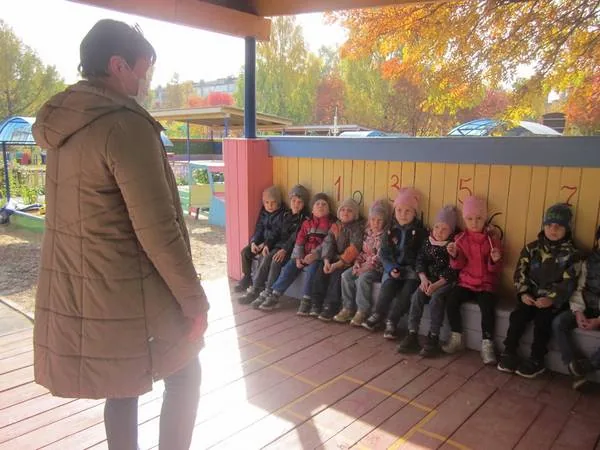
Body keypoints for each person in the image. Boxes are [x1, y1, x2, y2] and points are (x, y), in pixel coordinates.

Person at [31, 19, 208, 450]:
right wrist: (194, 300)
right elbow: (158, 230)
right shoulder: (124, 125)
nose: (147, 80)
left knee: (121, 385)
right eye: (144, 69)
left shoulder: (68, 124)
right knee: (186, 373)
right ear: (117, 65)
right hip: (134, 289)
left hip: (92, 291)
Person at [498, 203, 581, 378]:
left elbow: (569, 282)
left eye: (558, 226)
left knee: (543, 321)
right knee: (518, 316)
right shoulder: (532, 248)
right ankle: (509, 351)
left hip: (553, 302)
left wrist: (552, 299)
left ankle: (537, 359)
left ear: (567, 228)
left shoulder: (572, 254)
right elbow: (520, 272)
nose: (553, 230)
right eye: (549, 225)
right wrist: (523, 293)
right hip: (531, 296)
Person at [443, 196, 503, 365]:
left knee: (487, 307)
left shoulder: (492, 240)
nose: (474, 223)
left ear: (485, 218)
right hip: (467, 282)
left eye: (478, 218)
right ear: (464, 219)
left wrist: (495, 260)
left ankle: (487, 343)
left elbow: (495, 269)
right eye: (469, 219)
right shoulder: (461, 239)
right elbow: (458, 265)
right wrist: (454, 254)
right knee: (452, 299)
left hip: (486, 284)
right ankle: (456, 336)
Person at [362, 188, 427, 339]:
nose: (403, 214)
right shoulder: (390, 230)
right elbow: (384, 253)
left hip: (412, 271)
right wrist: (391, 268)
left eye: (407, 211)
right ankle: (378, 314)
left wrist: (416, 270)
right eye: (399, 210)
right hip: (394, 268)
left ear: (415, 213)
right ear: (394, 211)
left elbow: (422, 255)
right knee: (387, 288)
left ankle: (392, 321)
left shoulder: (420, 233)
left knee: (406, 294)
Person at [397, 205, 458, 357]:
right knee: (416, 296)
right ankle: (412, 333)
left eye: (444, 229)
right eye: (437, 227)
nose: (439, 232)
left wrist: (436, 285)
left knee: (436, 299)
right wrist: (423, 279)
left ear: (451, 231)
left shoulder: (452, 246)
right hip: (428, 280)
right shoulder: (428, 242)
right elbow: (420, 261)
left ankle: (433, 336)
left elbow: (453, 269)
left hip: (445, 282)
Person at [258, 193, 333, 312]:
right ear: (312, 209)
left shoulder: (331, 224)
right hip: (303, 256)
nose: (320, 206)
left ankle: (306, 299)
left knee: (311, 271)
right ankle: (275, 294)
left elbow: (328, 243)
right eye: (317, 204)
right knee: (289, 267)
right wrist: (298, 257)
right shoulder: (306, 223)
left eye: (324, 204)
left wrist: (314, 255)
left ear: (329, 209)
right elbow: (299, 240)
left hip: (318, 258)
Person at [241, 185, 310, 307]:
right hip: (279, 246)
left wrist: (284, 250)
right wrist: (267, 244)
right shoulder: (286, 215)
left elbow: (295, 237)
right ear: (290, 200)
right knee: (267, 256)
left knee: (275, 260)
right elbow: (276, 232)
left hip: (292, 249)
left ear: (304, 204)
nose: (296, 204)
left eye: (300, 202)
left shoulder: (304, 218)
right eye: (294, 201)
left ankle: (268, 291)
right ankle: (256, 288)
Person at [553, 226, 600, 389]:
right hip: (587, 307)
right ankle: (573, 365)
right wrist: (578, 311)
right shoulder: (589, 261)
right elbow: (579, 288)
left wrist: (598, 321)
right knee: (559, 322)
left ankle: (587, 366)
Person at [335, 200, 390, 326]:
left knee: (363, 278)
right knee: (346, 275)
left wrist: (365, 268)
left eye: (379, 220)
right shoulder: (368, 233)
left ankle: (363, 310)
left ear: (385, 222)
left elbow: (380, 256)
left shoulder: (385, 236)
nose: (375, 223)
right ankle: (348, 308)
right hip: (363, 265)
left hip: (377, 268)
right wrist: (357, 263)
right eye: (373, 219)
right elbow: (362, 252)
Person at [312, 198, 363, 321]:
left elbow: (354, 249)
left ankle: (331, 305)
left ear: (355, 215)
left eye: (349, 211)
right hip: (334, 258)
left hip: (348, 262)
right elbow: (328, 243)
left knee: (337, 275)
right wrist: (326, 261)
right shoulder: (335, 226)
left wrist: (338, 264)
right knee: (321, 270)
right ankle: (316, 302)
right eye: (343, 210)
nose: (345, 213)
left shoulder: (357, 228)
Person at [235, 185, 285, 296]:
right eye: (267, 202)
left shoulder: (282, 214)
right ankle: (247, 277)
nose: (269, 206)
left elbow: (276, 233)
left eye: (273, 202)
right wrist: (253, 242)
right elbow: (259, 228)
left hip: (272, 244)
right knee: (245, 252)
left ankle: (259, 284)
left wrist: (265, 244)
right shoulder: (263, 212)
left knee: (263, 257)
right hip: (261, 242)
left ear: (278, 202)